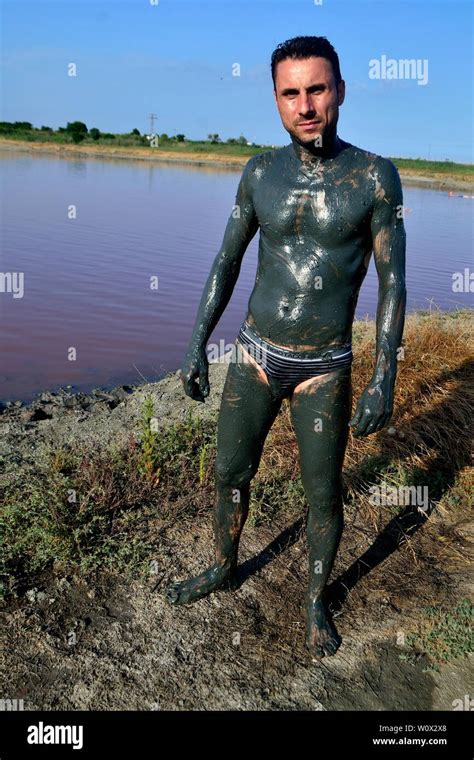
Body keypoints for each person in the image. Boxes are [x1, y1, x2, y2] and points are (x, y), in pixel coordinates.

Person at [166, 35, 406, 660]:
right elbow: (226, 259)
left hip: (323, 368)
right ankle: (223, 565)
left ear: (341, 91)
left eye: (317, 89)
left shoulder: (375, 177)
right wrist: (196, 345)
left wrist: (385, 376)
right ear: (275, 98)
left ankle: (315, 599)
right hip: (253, 353)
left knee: (323, 495)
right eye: (290, 93)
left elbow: (393, 285)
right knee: (229, 473)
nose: (305, 106)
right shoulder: (259, 173)